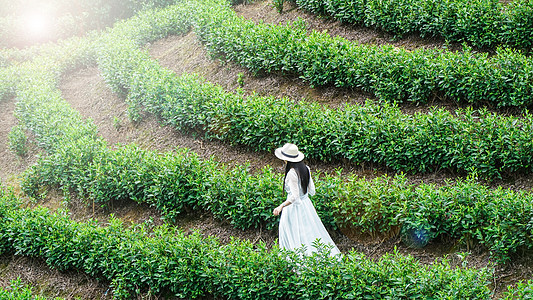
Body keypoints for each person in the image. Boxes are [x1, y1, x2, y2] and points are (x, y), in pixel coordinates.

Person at [272, 143, 340, 257]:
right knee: (309, 232)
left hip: (293, 208)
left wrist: (281, 206)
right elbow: (311, 190)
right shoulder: (305, 169)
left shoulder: (291, 174)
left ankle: (296, 259)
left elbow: (295, 196)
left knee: (293, 233)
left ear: (287, 160)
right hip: (306, 205)